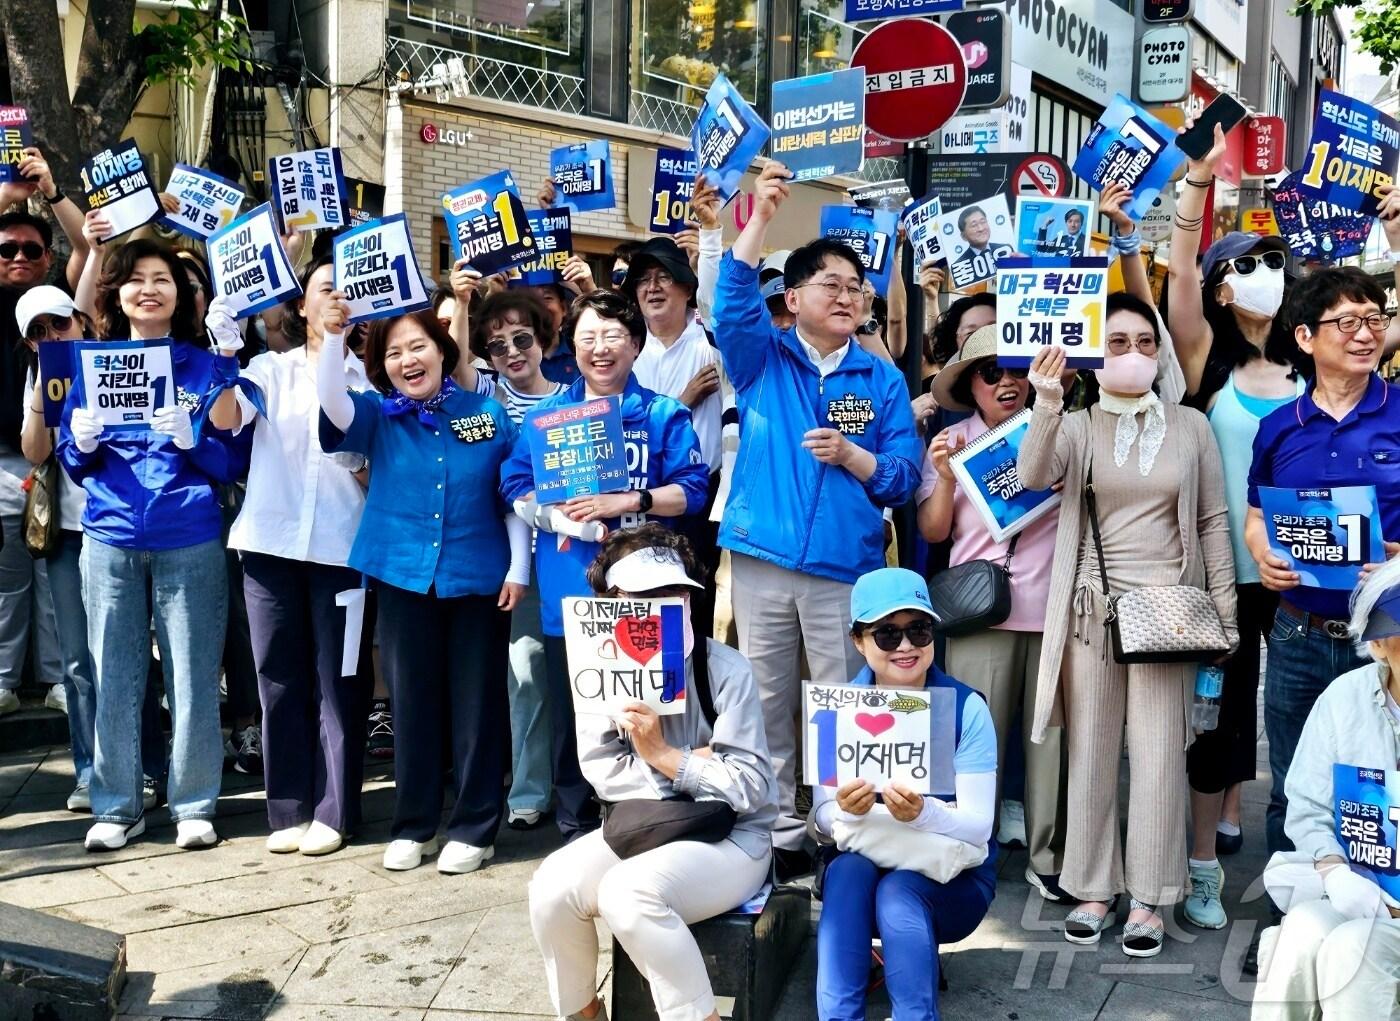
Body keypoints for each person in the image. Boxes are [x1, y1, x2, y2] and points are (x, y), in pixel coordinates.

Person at [709, 161, 922, 878]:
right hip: (764, 559)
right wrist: (760, 214)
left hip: (843, 567)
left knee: (840, 705)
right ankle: (774, 831)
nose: (847, 296)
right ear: (794, 296)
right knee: (767, 701)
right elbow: (733, 298)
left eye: (856, 288)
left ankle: (839, 825)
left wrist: (856, 459)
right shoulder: (762, 359)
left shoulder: (882, 378)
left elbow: (905, 475)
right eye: (830, 284)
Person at [1017, 292, 1237, 957]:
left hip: (1169, 612)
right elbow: (1033, 475)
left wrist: (1223, 608)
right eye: (1117, 342)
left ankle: (1149, 894)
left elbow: (1212, 521)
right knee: (1088, 748)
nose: (1135, 354)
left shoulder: (1191, 425)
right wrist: (1047, 399)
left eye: (1146, 342)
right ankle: (1091, 886)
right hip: (1091, 607)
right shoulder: (1078, 423)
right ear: (1094, 354)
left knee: (1160, 751)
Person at [528, 524, 777, 1021]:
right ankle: (583, 1012)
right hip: (645, 829)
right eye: (642, 595)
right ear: (610, 602)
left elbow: (751, 788)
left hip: (734, 839)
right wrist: (698, 766)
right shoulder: (599, 670)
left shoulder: (726, 670)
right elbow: (602, 770)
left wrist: (665, 756)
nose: (663, 605)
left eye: (675, 592)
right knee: (552, 886)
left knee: (628, 894)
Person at [317, 302, 530, 873]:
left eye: (418, 346)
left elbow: (507, 492)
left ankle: (474, 827)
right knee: (411, 704)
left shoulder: (484, 412)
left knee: (477, 705)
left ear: (442, 350)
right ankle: (414, 824)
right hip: (402, 575)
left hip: (477, 576)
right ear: (382, 368)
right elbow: (333, 407)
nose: (408, 360)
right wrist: (334, 341)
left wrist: (518, 569)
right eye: (392, 353)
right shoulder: (377, 414)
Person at [60, 233, 250, 852]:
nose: (149, 288)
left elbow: (233, 459)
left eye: (162, 278)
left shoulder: (204, 365)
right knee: (113, 672)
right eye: (138, 278)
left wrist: (196, 442)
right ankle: (118, 805)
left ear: (180, 294)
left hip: (189, 534)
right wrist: (81, 441)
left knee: (193, 675)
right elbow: (73, 457)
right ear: (120, 292)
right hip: (109, 536)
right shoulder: (97, 363)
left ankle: (193, 803)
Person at [500, 289, 710, 843]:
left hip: (648, 592)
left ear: (636, 344)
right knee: (579, 711)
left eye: (613, 336)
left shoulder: (664, 414)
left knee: (649, 708)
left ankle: (651, 811)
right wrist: (557, 519)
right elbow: (515, 485)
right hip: (571, 590)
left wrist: (631, 501)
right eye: (588, 337)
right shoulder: (548, 417)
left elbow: (693, 492)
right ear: (572, 346)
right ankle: (575, 824)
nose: (600, 349)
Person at [206, 256, 377, 856]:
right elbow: (227, 421)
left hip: (341, 547)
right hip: (270, 543)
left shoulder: (369, 380)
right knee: (277, 676)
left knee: (340, 680)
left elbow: (373, 475)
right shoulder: (268, 369)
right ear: (301, 305)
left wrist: (362, 466)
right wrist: (224, 353)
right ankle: (288, 809)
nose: (335, 299)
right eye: (323, 289)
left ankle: (335, 809)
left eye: (346, 291)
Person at [1244, 267, 1400, 871]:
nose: (1365, 335)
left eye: (1375, 320)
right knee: (1293, 784)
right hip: (1298, 633)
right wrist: (1262, 556)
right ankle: (1292, 911)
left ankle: (1377, 912)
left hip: (1388, 640)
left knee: (1381, 785)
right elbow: (1257, 516)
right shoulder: (1279, 427)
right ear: (1306, 337)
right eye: (1348, 322)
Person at [917, 325, 1069, 903]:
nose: (1006, 381)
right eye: (990, 373)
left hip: (1053, 610)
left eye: (1016, 371)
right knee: (975, 743)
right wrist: (946, 477)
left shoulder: (1057, 432)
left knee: (1048, 742)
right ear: (970, 384)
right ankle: (962, 848)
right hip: (979, 616)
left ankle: (1047, 856)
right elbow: (933, 531)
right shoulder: (952, 441)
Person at [812, 567, 996, 1019]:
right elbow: (818, 819)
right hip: (863, 872)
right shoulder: (835, 709)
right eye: (887, 634)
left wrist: (924, 815)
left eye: (919, 629)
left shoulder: (966, 707)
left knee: (898, 891)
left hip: (951, 883)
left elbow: (980, 827)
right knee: (848, 873)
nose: (908, 645)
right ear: (858, 641)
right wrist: (842, 814)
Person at [17, 287, 168, 812]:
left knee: (130, 657)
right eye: (37, 333)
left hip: (126, 524)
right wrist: (43, 379)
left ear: (81, 321)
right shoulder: (42, 380)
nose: (51, 337)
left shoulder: (115, 362)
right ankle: (90, 770)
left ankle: (149, 767)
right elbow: (34, 450)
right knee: (80, 662)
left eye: (58, 325)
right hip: (69, 533)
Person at [1251, 556, 1400, 1019]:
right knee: (1300, 932)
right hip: (1361, 886)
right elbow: (1309, 805)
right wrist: (1334, 869)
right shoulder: (1344, 699)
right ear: (1377, 644)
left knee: (1351, 951)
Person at [469, 290, 567, 829]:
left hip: (566, 560)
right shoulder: (484, 406)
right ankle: (528, 789)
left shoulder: (575, 400)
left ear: (545, 340)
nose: (512, 351)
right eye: (497, 344)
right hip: (504, 565)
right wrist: (461, 303)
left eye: (522, 338)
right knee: (523, 680)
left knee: (577, 681)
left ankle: (586, 785)